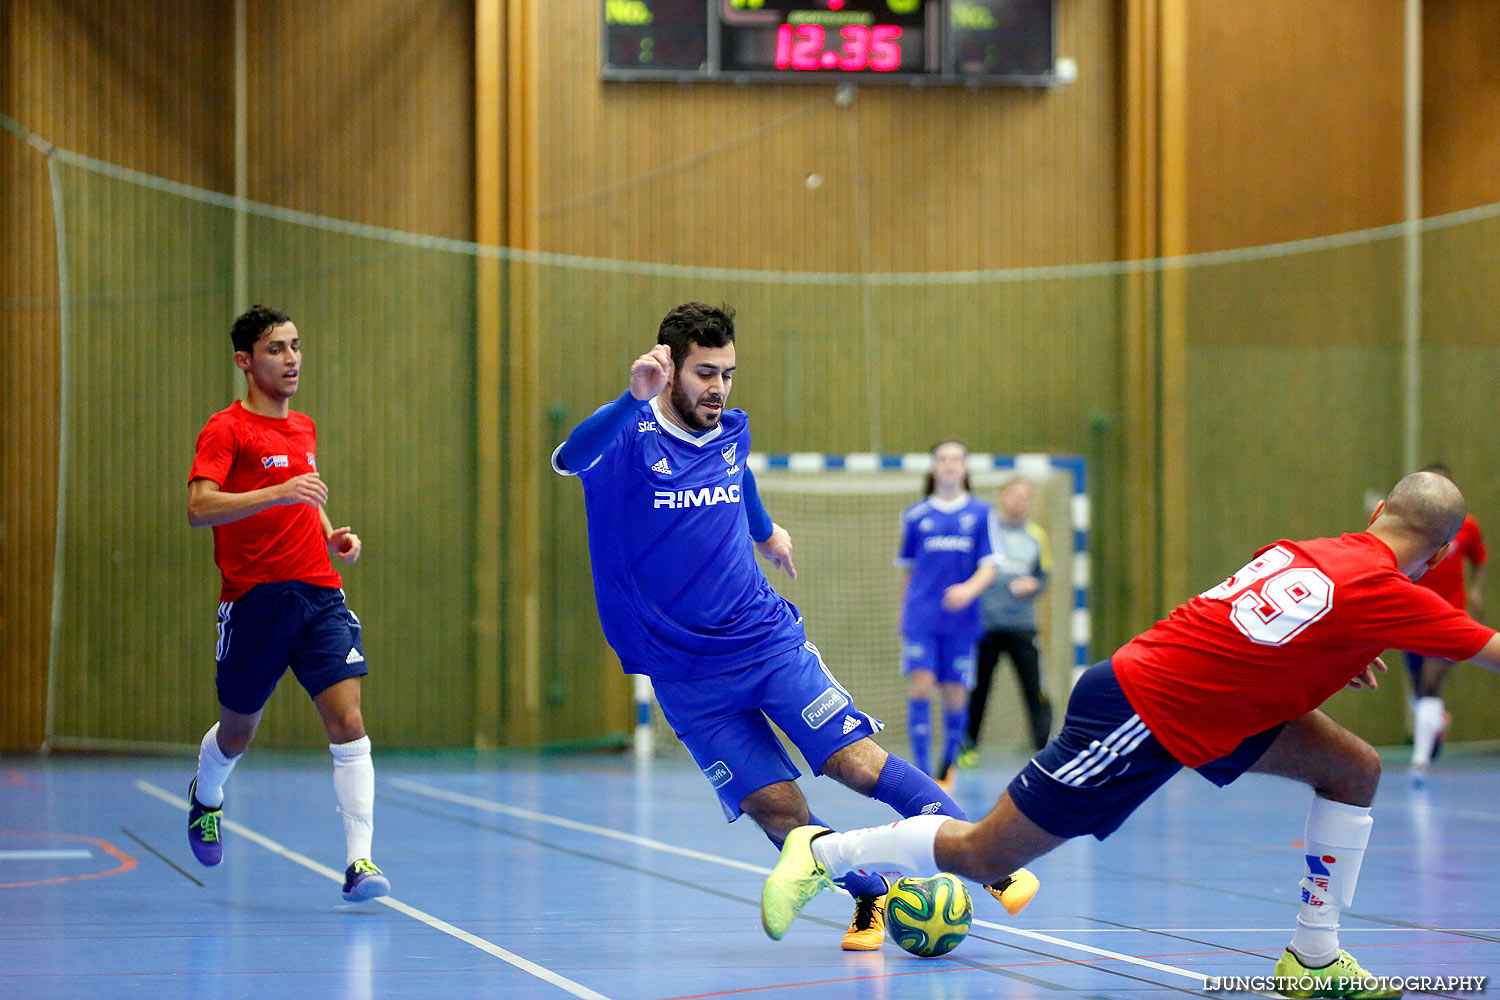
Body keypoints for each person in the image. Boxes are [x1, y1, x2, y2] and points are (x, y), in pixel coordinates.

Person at [764, 471, 1500, 998]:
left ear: (1378, 513)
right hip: (1141, 712)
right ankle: (826, 849)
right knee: (988, 850)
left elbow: (1258, 623)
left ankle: (1313, 957)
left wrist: (1330, 651)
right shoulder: (1389, 589)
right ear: (1437, 555)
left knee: (1353, 769)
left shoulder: (1316, 551)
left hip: (1217, 708)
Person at [552, 302, 1037, 952]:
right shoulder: (629, 438)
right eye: (704, 373)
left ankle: (989, 862)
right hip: (683, 673)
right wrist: (628, 398)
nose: (718, 388)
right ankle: (871, 898)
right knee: (779, 813)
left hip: (765, 641)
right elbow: (566, 457)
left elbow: (737, 478)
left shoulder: (730, 429)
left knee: (855, 764)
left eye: (727, 373)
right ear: (666, 369)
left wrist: (766, 531)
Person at [185, 305, 388, 903]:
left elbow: (307, 495)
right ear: (245, 361)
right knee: (238, 732)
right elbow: (200, 508)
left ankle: (360, 862)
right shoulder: (226, 430)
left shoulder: (303, 428)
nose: (292, 358)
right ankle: (207, 794)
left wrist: (332, 536)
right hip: (253, 601)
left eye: (296, 346)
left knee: (347, 721)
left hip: (320, 593)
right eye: (276, 349)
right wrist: (278, 491)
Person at [896, 441, 999, 785]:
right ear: (933, 468)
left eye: (957, 459)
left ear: (966, 468)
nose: (950, 464)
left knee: (955, 691)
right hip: (921, 617)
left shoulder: (982, 514)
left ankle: (948, 763)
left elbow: (989, 565)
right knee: (922, 685)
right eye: (943, 459)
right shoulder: (915, 516)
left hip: (962, 620)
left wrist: (968, 590)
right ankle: (923, 771)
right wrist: (903, 612)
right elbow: (907, 570)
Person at [1404, 464, 1487, 783]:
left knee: (1429, 684)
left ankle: (1421, 758)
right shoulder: (1414, 526)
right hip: (1412, 615)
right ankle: (1436, 721)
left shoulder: (1468, 527)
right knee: (1417, 688)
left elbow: (1479, 560)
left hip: (1450, 615)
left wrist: (1476, 591)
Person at [962, 476, 1052, 762]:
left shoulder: (1036, 535)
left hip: (1022, 625)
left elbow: (1044, 575)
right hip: (986, 623)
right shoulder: (985, 531)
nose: (1019, 501)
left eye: (1025, 496)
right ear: (1003, 496)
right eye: (1015, 494)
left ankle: (1042, 748)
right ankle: (968, 746)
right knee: (979, 687)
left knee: (1033, 686)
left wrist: (1034, 585)